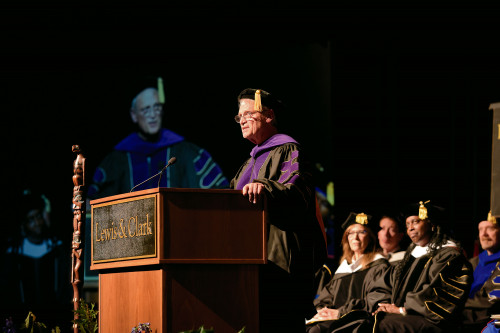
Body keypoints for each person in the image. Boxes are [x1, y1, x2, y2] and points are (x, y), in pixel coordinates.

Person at [230, 88, 327, 333]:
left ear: (269, 115)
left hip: (278, 258)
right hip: (247, 258)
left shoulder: (289, 150)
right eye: (239, 116)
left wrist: (264, 187)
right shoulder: (248, 163)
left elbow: (297, 194)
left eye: (248, 114)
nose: (242, 120)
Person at [87, 77, 228, 199]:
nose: (153, 115)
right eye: (146, 109)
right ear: (134, 115)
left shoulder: (186, 152)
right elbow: (94, 202)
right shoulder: (117, 159)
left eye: (156, 107)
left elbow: (219, 191)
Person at [365, 200, 473, 333]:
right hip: (404, 317)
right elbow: (384, 284)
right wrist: (383, 304)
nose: (410, 228)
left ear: (431, 224)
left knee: (380, 326)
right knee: (363, 320)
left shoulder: (448, 256)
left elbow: (441, 294)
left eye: (416, 222)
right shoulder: (410, 257)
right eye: (407, 224)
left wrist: (401, 309)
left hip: (432, 322)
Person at [306, 212, 389, 333]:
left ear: (370, 237)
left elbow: (376, 300)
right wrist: (322, 311)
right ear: (346, 238)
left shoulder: (379, 266)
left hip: (360, 320)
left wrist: (341, 312)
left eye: (361, 232)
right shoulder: (343, 269)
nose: (355, 237)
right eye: (351, 233)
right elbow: (325, 298)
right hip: (334, 319)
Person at [2, 189, 70, 307]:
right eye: (31, 219)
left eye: (38, 216)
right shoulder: (14, 253)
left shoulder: (56, 249)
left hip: (54, 312)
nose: (37, 222)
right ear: (23, 224)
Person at [462, 212, 500, 332]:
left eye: (490, 228)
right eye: (481, 229)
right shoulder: (472, 263)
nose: (484, 234)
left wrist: (456, 305)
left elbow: (493, 301)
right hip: (463, 316)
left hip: (485, 320)